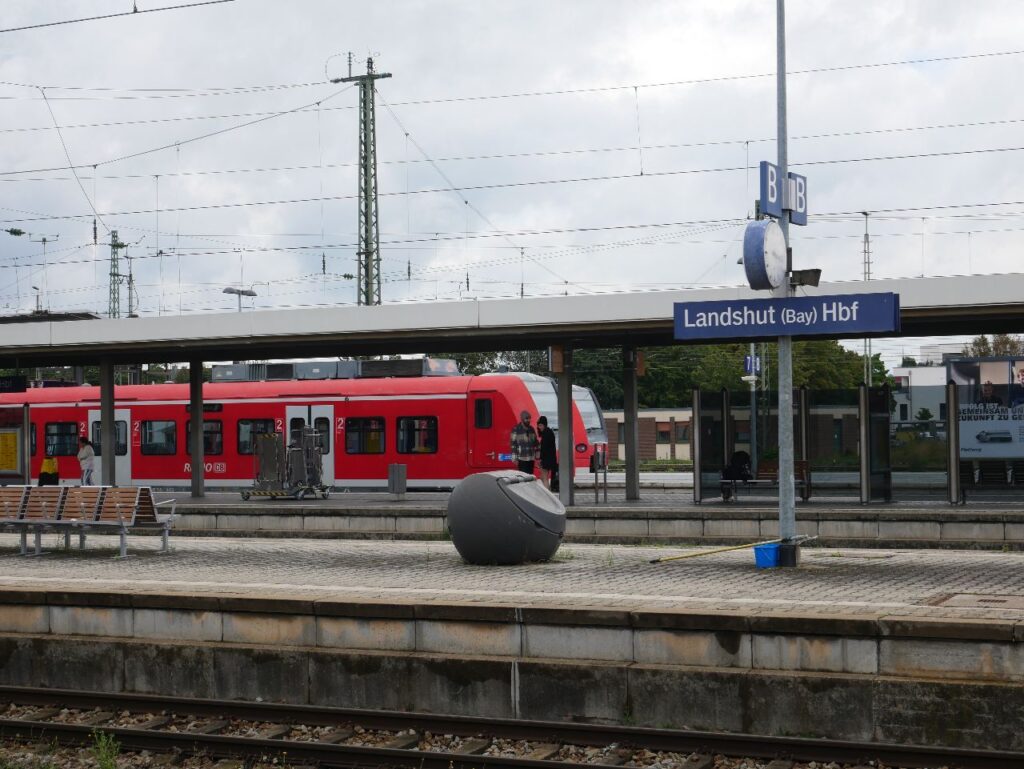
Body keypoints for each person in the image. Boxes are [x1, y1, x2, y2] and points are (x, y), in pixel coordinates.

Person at [509, 410, 538, 475]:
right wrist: (514, 457)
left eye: (529, 418)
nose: (528, 420)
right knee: (523, 477)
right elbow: (513, 444)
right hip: (521, 458)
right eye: (526, 418)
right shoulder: (516, 429)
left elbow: (535, 442)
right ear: (522, 419)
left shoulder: (531, 429)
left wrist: (538, 453)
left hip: (531, 458)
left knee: (530, 477)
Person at [536, 415, 557, 490]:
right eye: (538, 425)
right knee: (542, 477)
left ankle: (548, 495)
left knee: (544, 478)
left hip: (546, 459)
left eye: (541, 425)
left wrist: (541, 459)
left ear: (545, 424)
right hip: (550, 459)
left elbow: (544, 448)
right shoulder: (549, 432)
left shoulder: (546, 434)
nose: (539, 427)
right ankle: (546, 493)